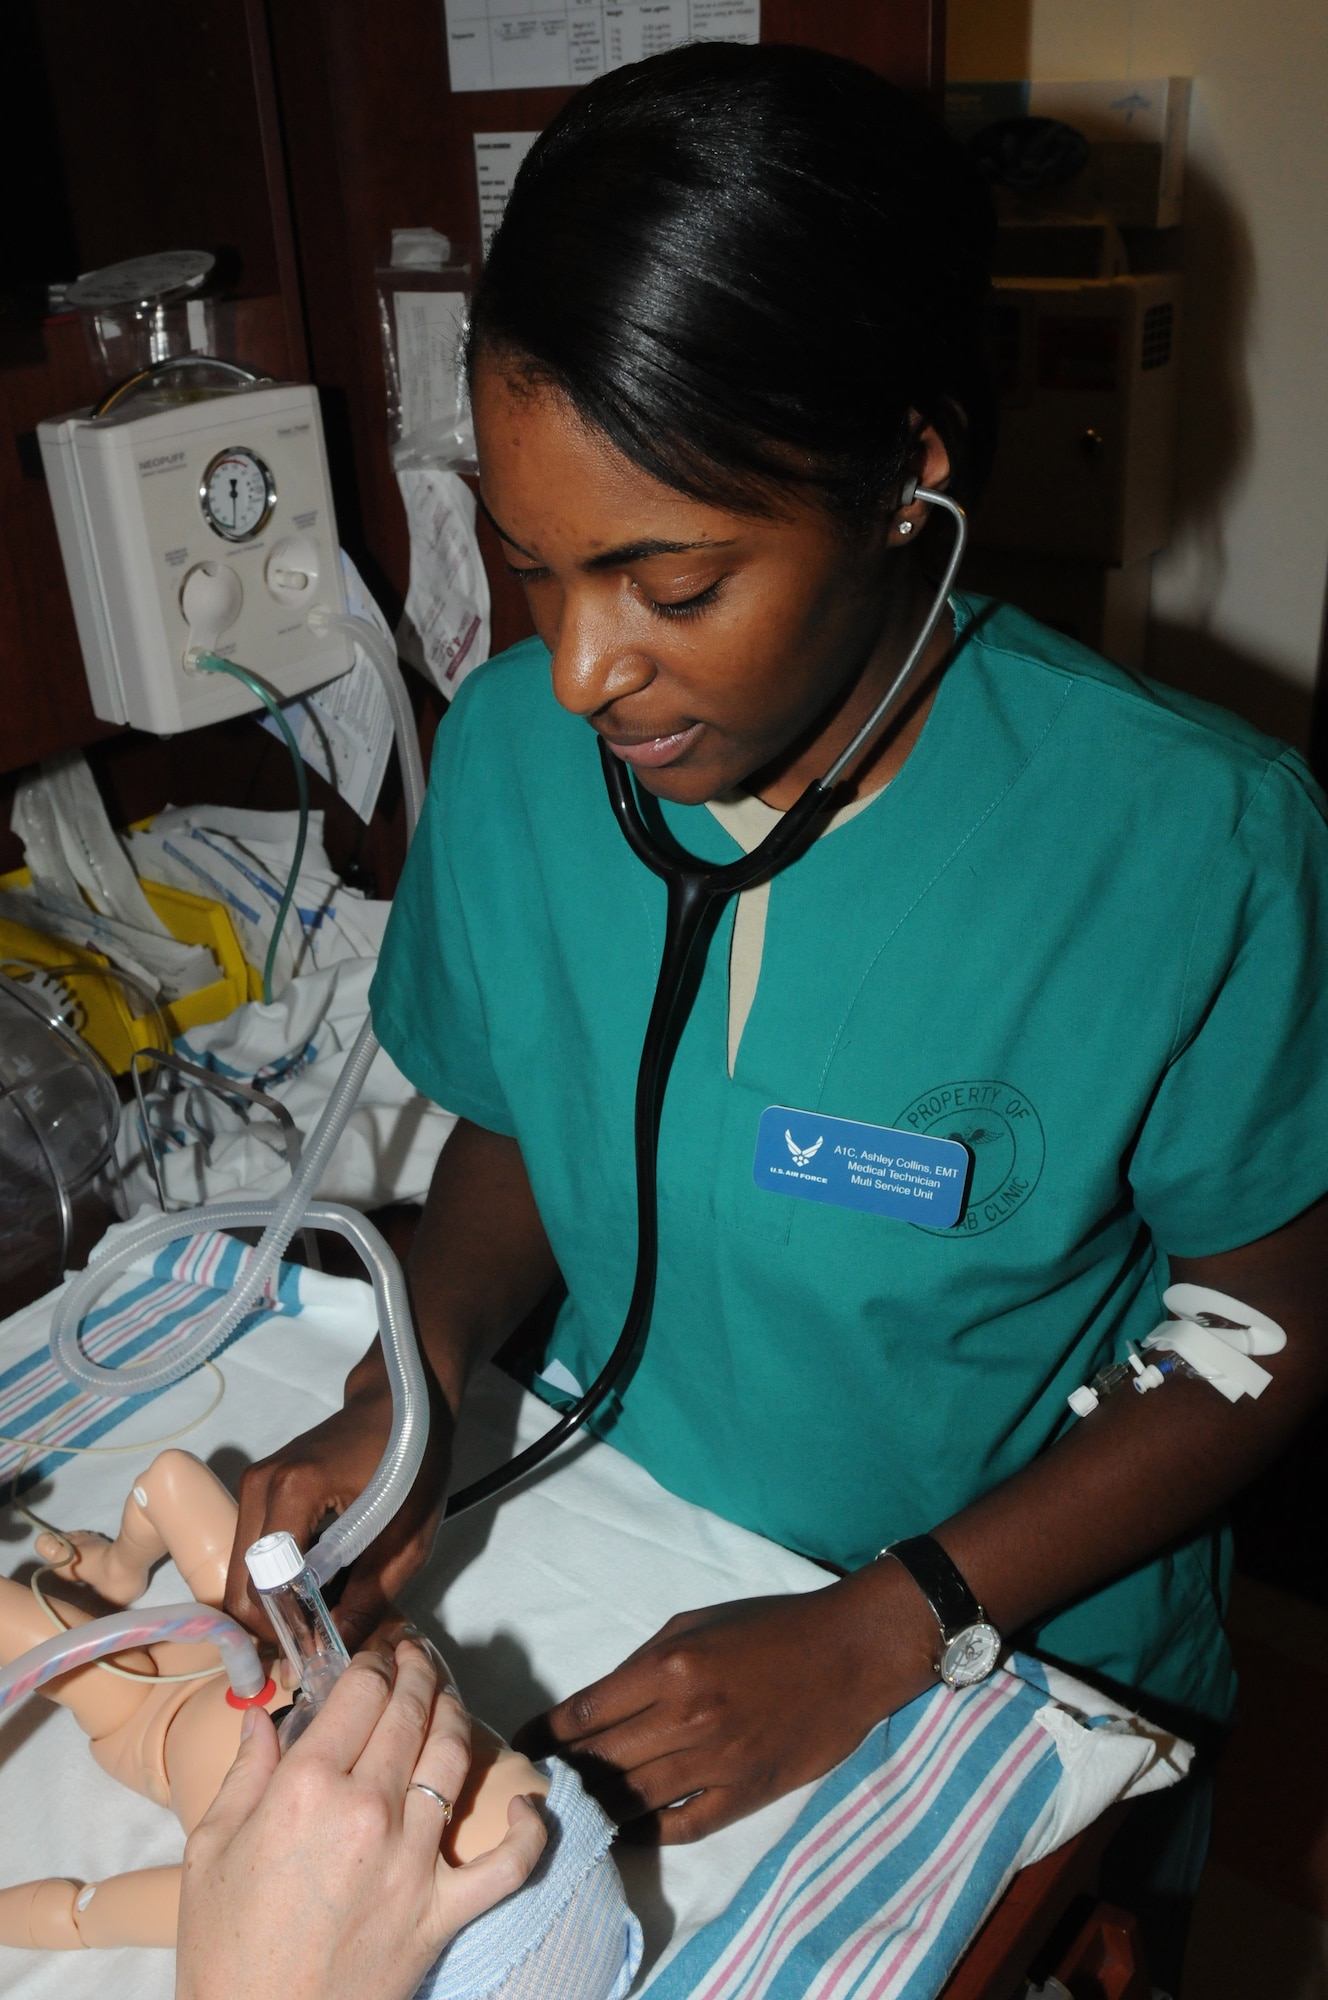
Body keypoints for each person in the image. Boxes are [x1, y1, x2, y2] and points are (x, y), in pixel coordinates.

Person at [221, 41, 1328, 1987]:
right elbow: (535, 1116)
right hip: (634, 1553)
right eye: (534, 561)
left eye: (671, 574)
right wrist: (431, 1362)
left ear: (907, 473)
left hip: (1017, 1623)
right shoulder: (505, 756)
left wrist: (892, 1622)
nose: (578, 669)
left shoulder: (1193, 847)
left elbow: (1270, 1315)